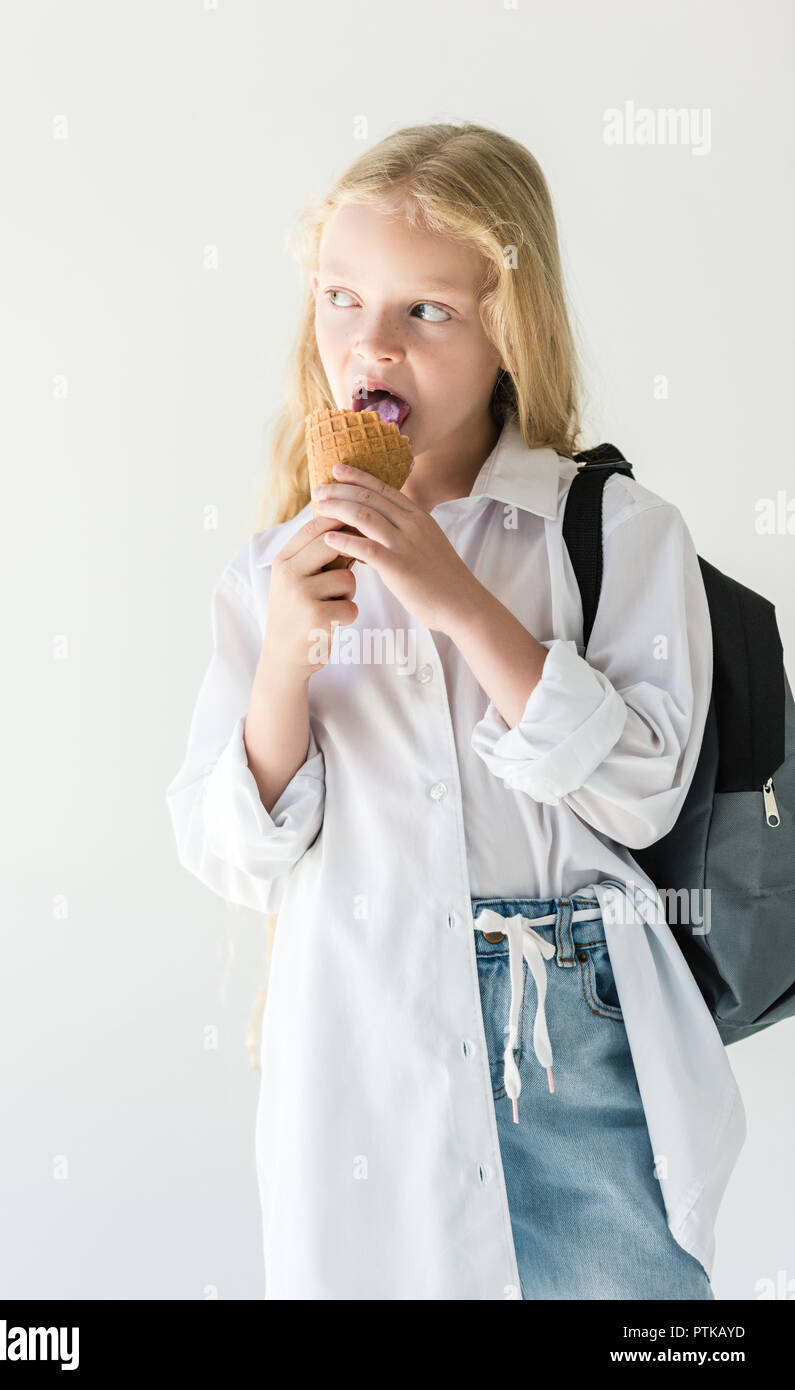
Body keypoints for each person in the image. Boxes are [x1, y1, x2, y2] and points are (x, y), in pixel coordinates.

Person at [166, 122, 745, 1300]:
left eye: (424, 312)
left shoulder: (616, 532)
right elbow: (233, 850)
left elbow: (640, 791)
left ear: (507, 335)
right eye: (341, 298)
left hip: (579, 1036)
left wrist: (461, 604)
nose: (369, 341)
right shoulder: (270, 571)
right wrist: (285, 661)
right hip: (365, 1036)